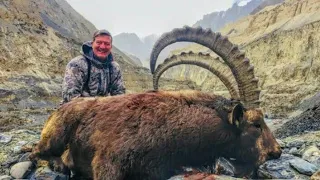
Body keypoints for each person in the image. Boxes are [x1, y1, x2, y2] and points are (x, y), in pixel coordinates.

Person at [62, 29, 126, 104]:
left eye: (107, 44)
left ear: (111, 47)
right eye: (99, 42)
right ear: (92, 44)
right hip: (75, 110)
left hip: (103, 110)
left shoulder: (114, 68)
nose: (102, 47)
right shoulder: (77, 64)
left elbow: (119, 97)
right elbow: (70, 98)